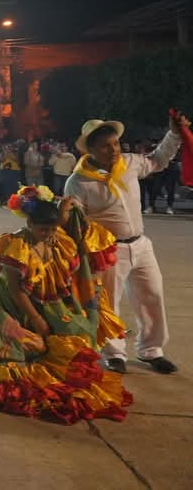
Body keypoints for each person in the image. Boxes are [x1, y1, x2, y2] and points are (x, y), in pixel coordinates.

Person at [0, 186, 130, 423]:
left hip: (41, 299)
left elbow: (62, 228)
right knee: (17, 352)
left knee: (73, 335)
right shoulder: (17, 246)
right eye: (43, 229)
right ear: (29, 224)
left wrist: (63, 212)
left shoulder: (55, 237)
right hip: (12, 303)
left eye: (52, 228)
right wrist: (37, 319)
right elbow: (17, 290)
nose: (48, 234)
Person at [63, 113, 187, 374]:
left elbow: (158, 160)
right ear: (91, 150)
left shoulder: (129, 163)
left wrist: (175, 134)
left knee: (152, 295)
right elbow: (74, 222)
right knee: (108, 302)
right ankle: (114, 353)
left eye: (115, 143)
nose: (113, 150)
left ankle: (151, 350)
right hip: (108, 251)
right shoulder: (78, 181)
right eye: (105, 146)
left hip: (141, 244)